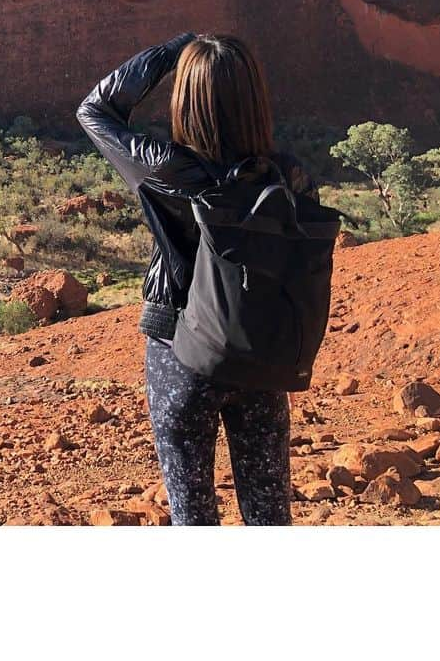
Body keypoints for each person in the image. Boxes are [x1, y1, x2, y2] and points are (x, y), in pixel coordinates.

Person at [76, 32, 318, 526]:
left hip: (179, 351)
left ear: (186, 98)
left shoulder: (167, 168)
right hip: (259, 352)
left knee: (193, 514)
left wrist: (172, 51)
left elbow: (94, 110)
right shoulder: (287, 176)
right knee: (270, 516)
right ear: (255, 97)